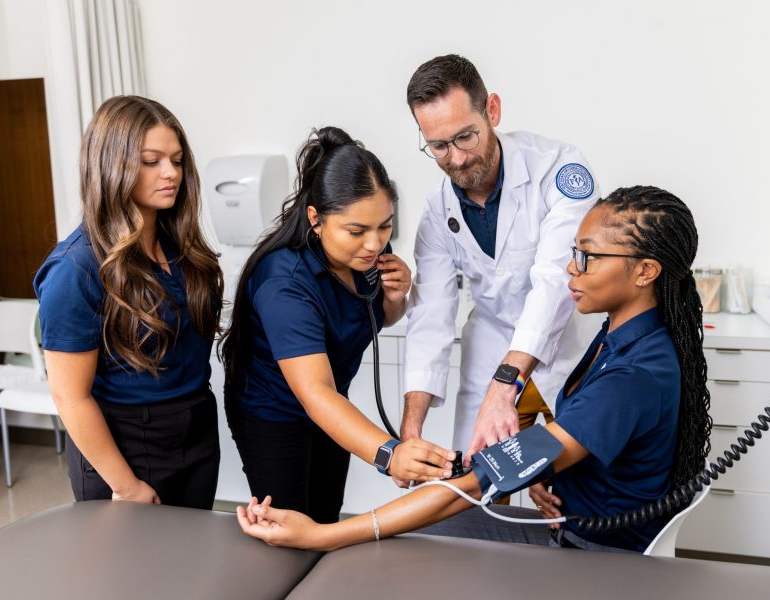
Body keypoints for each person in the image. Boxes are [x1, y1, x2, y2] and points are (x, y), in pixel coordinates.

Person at [237, 186, 712, 553]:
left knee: (412, 532)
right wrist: (552, 468)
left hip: (588, 552)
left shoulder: (633, 375)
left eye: (587, 256)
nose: (570, 269)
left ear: (646, 272)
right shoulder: (627, 338)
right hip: (575, 525)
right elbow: (587, 437)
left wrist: (324, 534)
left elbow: (474, 485)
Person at [220, 127, 455, 524]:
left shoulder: (369, 256)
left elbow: (375, 317)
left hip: (332, 404)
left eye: (385, 225)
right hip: (273, 413)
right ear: (316, 219)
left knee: (326, 515)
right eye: (357, 231)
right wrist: (389, 455)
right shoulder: (285, 282)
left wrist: (395, 297)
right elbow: (315, 392)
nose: (375, 243)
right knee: (290, 522)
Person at [400, 54, 602, 466]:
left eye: (465, 137)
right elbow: (430, 317)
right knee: (474, 485)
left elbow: (554, 281)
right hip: (491, 345)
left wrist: (506, 380)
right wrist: (410, 432)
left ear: (492, 110)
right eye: (438, 146)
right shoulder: (437, 211)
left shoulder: (559, 169)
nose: (455, 159)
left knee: (582, 484)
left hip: (572, 348)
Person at [34, 95, 224, 509]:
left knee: (192, 567)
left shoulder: (183, 249)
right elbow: (70, 397)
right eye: (151, 161)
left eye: (176, 160)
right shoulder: (76, 269)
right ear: (112, 165)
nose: (170, 173)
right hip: (124, 448)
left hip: (195, 433)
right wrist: (126, 485)